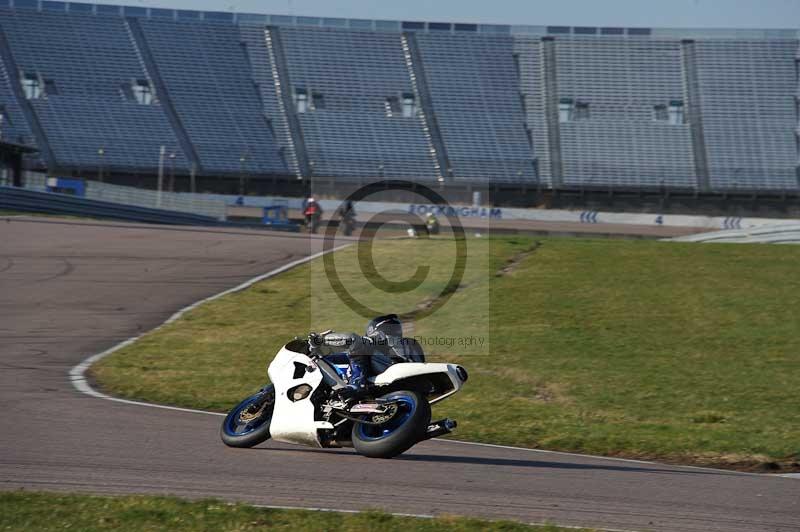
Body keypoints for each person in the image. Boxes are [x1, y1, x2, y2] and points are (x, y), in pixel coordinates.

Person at [323, 314, 424, 401]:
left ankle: (357, 384)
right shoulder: (409, 344)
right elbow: (339, 357)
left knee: (354, 340)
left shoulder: (401, 342)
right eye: (389, 328)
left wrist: (321, 340)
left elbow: (353, 339)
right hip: (409, 383)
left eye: (393, 327)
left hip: (397, 372)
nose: (394, 331)